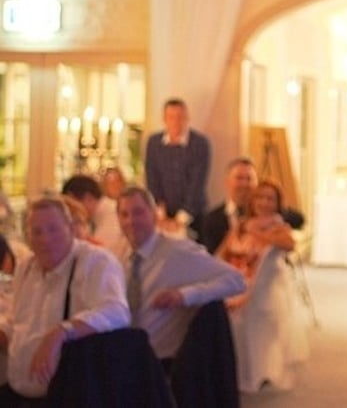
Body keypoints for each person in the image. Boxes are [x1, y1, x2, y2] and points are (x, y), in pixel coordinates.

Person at [0, 196, 130, 405]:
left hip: (71, 395)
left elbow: (117, 312)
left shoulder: (95, 261)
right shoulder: (26, 267)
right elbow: (18, 320)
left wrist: (62, 331)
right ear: (27, 236)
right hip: (19, 392)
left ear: (70, 227)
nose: (45, 239)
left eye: (53, 229)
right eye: (37, 232)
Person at [116, 185, 245, 365]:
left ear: (154, 215)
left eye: (138, 213)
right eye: (124, 215)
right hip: (127, 357)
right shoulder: (119, 255)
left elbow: (236, 281)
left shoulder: (178, 252)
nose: (131, 221)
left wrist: (184, 296)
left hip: (164, 363)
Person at [220, 180, 307, 392]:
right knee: (243, 331)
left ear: (277, 203)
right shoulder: (241, 225)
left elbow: (289, 244)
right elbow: (223, 252)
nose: (265, 203)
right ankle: (246, 375)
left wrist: (256, 232)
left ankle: (264, 374)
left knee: (265, 333)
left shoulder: (279, 227)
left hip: (268, 290)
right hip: (243, 286)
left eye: (270, 199)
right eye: (260, 197)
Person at [145, 97, 211, 241]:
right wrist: (160, 214)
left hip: (193, 215)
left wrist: (180, 219)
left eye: (180, 117)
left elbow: (197, 182)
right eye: (171, 117)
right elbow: (152, 177)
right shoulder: (154, 143)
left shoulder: (200, 144)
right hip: (163, 215)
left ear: (187, 118)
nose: (176, 122)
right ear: (164, 119)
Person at [202, 156, 258, 255]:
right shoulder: (210, 220)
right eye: (239, 178)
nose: (244, 184)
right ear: (227, 182)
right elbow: (209, 258)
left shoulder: (269, 214)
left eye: (249, 179)